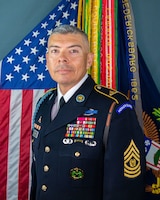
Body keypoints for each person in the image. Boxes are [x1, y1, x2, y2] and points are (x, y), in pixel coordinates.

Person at [30, 24, 146, 200]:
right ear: (47, 59)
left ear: (89, 60)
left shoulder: (114, 108)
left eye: (73, 51)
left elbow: (125, 190)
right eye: (55, 51)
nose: (62, 59)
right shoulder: (44, 104)